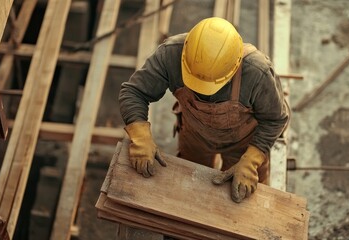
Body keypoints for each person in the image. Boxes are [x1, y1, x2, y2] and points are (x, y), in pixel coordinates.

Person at [119, 17, 289, 203]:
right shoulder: (170, 54)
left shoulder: (257, 72)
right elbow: (134, 92)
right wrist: (140, 136)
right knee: (192, 191)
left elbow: (275, 119)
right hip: (195, 136)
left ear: (235, 66)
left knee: (247, 200)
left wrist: (251, 161)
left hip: (244, 144)